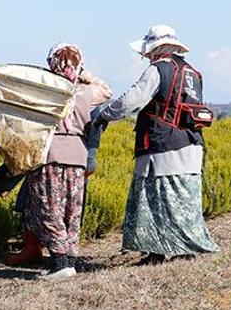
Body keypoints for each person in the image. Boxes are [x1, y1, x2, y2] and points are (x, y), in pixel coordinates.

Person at [92, 24, 219, 264]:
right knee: (184, 201)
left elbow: (133, 99)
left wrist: (105, 114)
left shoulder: (158, 69)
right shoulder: (193, 72)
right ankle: (184, 250)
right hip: (191, 145)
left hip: (163, 146)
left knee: (153, 200)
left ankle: (155, 253)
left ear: (154, 48)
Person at [6, 43, 112, 280]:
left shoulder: (44, 89)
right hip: (78, 155)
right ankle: (70, 261)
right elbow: (107, 90)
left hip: (49, 153)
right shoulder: (86, 92)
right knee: (72, 211)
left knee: (49, 209)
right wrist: (82, 73)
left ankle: (60, 262)